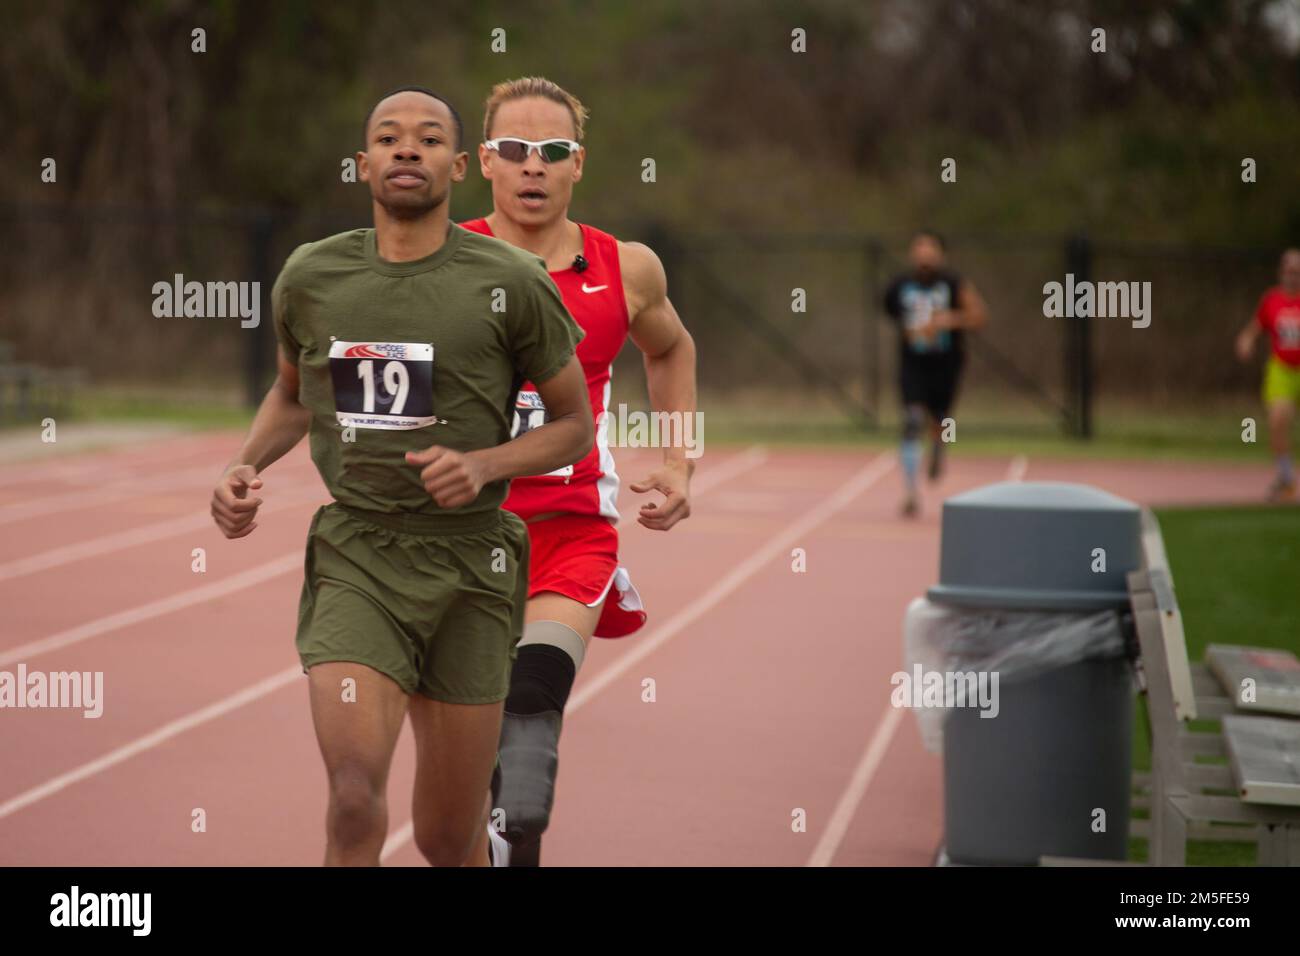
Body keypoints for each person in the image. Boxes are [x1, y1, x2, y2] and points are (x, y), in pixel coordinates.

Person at [208, 86, 592, 867]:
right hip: (359, 553)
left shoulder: (511, 281)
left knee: (450, 839)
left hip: (471, 563)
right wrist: (243, 466)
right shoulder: (313, 276)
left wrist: (483, 464)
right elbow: (292, 392)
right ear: (364, 164)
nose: (406, 149)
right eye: (388, 138)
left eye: (425, 139)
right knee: (353, 797)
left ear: (457, 165)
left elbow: (574, 426)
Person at [461, 76, 698, 866]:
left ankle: (514, 834)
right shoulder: (436, 260)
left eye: (553, 152)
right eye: (517, 150)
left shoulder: (626, 268)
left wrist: (678, 460)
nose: (535, 167)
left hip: (569, 535)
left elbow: (671, 348)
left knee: (529, 724)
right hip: (456, 535)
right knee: (465, 759)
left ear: (578, 165)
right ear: (484, 163)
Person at [883, 231, 987, 516]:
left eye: (930, 248)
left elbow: (978, 316)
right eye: (919, 248)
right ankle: (910, 492)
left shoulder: (954, 283)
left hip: (947, 363)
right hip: (913, 363)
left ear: (940, 253)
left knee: (940, 421)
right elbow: (893, 315)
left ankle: (939, 447)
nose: (924, 254)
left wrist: (946, 320)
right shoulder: (899, 286)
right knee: (913, 420)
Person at [1235, 247, 1300, 501]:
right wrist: (1246, 340)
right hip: (1281, 370)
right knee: (1278, 419)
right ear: (1281, 272)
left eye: (1297, 272)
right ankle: (1285, 477)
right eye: (1288, 271)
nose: (1292, 276)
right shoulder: (1271, 300)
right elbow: (1256, 326)